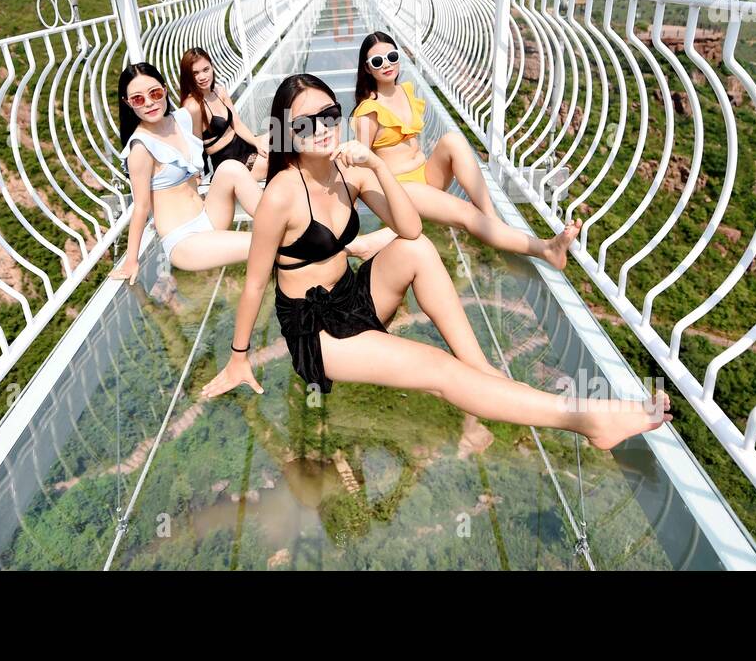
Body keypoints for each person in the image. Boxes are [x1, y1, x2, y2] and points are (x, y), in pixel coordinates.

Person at [200, 73, 672, 452]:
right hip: (318, 334)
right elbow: (255, 285)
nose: (321, 128)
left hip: (354, 299)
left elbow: (410, 229)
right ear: (286, 130)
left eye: (329, 114)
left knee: (417, 251)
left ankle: (485, 379)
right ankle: (589, 420)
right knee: (441, 371)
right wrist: (239, 359)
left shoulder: (350, 171)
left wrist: (378, 167)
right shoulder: (280, 195)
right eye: (304, 123)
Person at [351, 31, 581, 267]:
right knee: (465, 214)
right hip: (401, 188)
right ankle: (546, 249)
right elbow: (362, 164)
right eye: (377, 61)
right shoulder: (368, 110)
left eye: (392, 56)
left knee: (453, 140)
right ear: (368, 69)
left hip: (425, 176)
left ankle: (491, 219)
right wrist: (365, 207)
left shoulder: (405, 91)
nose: (387, 64)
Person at [110, 62, 261, 283]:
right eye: (138, 99)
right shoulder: (140, 148)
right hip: (185, 240)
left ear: (164, 89)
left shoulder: (181, 118)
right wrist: (131, 259)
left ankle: (283, 221)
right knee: (265, 243)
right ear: (128, 103)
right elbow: (141, 207)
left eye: (155, 93)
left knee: (232, 168)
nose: (150, 102)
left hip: (208, 215)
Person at [178, 47, 268, 181]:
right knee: (278, 160)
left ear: (212, 67)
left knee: (284, 136)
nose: (202, 77)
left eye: (205, 69)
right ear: (188, 76)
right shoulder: (193, 106)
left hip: (243, 146)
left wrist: (256, 143)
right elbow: (194, 147)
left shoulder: (220, 91)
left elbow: (237, 124)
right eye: (195, 73)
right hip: (228, 162)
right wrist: (197, 178)